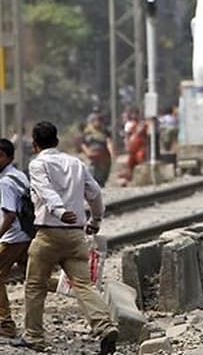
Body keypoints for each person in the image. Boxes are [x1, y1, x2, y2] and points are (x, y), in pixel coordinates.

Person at [12, 121, 118, 353]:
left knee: (35, 285)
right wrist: (95, 221)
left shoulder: (38, 164)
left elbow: (44, 190)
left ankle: (34, 337)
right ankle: (105, 326)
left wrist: (59, 211)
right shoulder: (75, 163)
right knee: (84, 286)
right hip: (76, 235)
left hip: (49, 234)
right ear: (57, 142)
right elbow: (96, 193)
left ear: (35, 144)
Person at [0, 139, 32, 338]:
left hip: (12, 238)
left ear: (9, 157)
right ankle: (74, 288)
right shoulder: (19, 175)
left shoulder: (4, 182)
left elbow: (9, 215)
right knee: (36, 278)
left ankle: (5, 323)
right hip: (27, 234)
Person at [81, 113, 114, 187]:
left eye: (100, 120)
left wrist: (112, 153)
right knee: (91, 174)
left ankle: (100, 186)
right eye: (96, 120)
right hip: (92, 157)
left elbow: (109, 142)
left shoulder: (105, 131)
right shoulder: (87, 132)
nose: (98, 122)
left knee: (102, 175)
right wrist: (87, 152)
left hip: (103, 157)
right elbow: (83, 144)